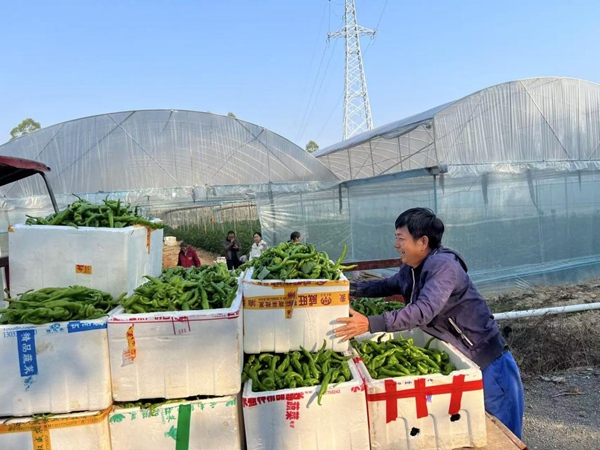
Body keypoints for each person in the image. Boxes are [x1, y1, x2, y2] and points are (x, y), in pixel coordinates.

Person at [334, 207, 524, 439]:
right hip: (462, 361)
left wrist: (370, 323)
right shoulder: (412, 268)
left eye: (400, 238)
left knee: (504, 435)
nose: (396, 244)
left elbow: (423, 310)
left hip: (487, 362)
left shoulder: (444, 266)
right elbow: (387, 285)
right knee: (472, 433)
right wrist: (346, 289)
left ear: (422, 242)